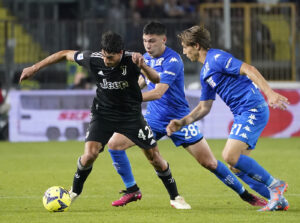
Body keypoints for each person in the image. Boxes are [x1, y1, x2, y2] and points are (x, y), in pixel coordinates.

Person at [19, 31, 189, 209]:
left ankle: (175, 197)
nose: (107, 61)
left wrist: (144, 66)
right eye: (105, 56)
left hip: (130, 115)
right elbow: (63, 54)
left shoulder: (133, 60)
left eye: (111, 58)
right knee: (90, 154)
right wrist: (34, 68)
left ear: (121, 53)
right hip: (103, 113)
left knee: (153, 157)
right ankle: (74, 192)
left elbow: (156, 79)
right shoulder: (94, 58)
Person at [108, 21, 268, 209]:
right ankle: (132, 189)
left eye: (152, 41)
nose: (147, 45)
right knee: (114, 144)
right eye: (145, 41)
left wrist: (130, 99)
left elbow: (159, 92)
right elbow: (141, 82)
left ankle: (246, 195)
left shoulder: (173, 61)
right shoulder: (145, 58)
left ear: (163, 40)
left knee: (209, 163)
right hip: (152, 120)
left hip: (178, 120)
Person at [167, 25, 290, 211]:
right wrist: (182, 122)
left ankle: (275, 185)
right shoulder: (205, 72)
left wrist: (270, 93)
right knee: (236, 167)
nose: (183, 51)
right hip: (243, 113)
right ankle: (277, 200)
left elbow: (249, 69)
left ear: (197, 45)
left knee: (229, 156)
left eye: (185, 46)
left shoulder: (217, 58)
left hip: (252, 109)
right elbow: (204, 107)